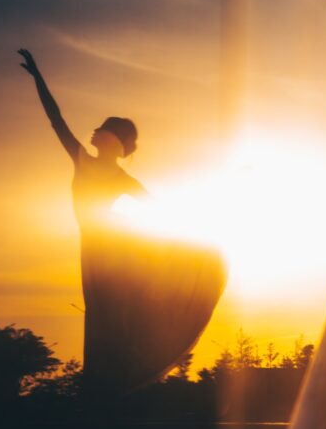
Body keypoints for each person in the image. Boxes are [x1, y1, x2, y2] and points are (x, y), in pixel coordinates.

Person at [19, 48, 226, 396]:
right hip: (96, 250)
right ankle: (108, 388)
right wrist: (38, 77)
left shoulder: (122, 181)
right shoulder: (84, 161)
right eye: (97, 128)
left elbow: (164, 215)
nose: (94, 132)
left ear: (116, 142)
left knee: (111, 319)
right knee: (102, 318)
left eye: (102, 129)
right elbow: (56, 119)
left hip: (110, 252)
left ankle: (113, 388)